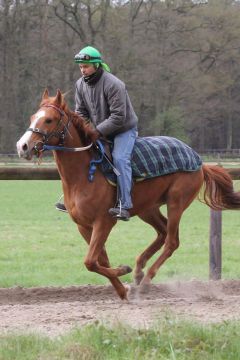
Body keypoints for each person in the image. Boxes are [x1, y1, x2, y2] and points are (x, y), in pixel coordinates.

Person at [56, 46, 138, 221]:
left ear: (96, 65)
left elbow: (118, 117)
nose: (82, 70)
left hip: (123, 131)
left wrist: (96, 131)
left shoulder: (114, 84)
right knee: (81, 156)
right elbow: (81, 114)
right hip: (100, 131)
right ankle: (71, 198)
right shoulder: (80, 84)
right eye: (80, 67)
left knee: (120, 159)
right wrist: (82, 132)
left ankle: (124, 204)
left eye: (85, 66)